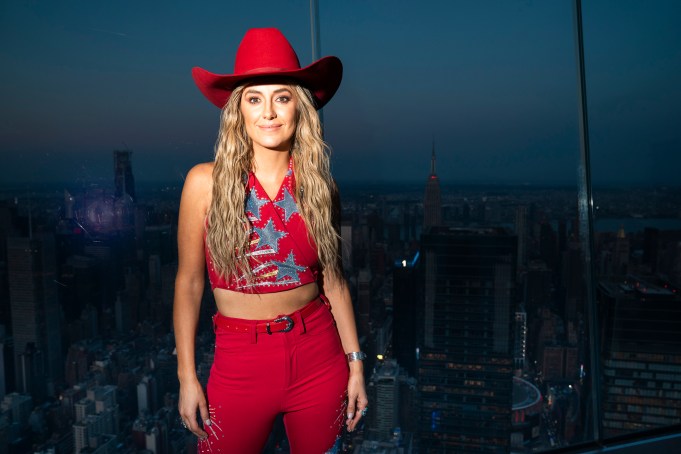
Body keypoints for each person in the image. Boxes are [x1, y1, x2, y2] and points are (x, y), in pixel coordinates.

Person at [173, 28, 368, 453]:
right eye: (254, 98)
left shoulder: (321, 186)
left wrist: (355, 364)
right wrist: (187, 378)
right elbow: (189, 283)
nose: (269, 113)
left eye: (282, 97)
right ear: (237, 111)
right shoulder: (203, 182)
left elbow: (333, 280)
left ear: (300, 108)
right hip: (239, 361)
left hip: (319, 354)